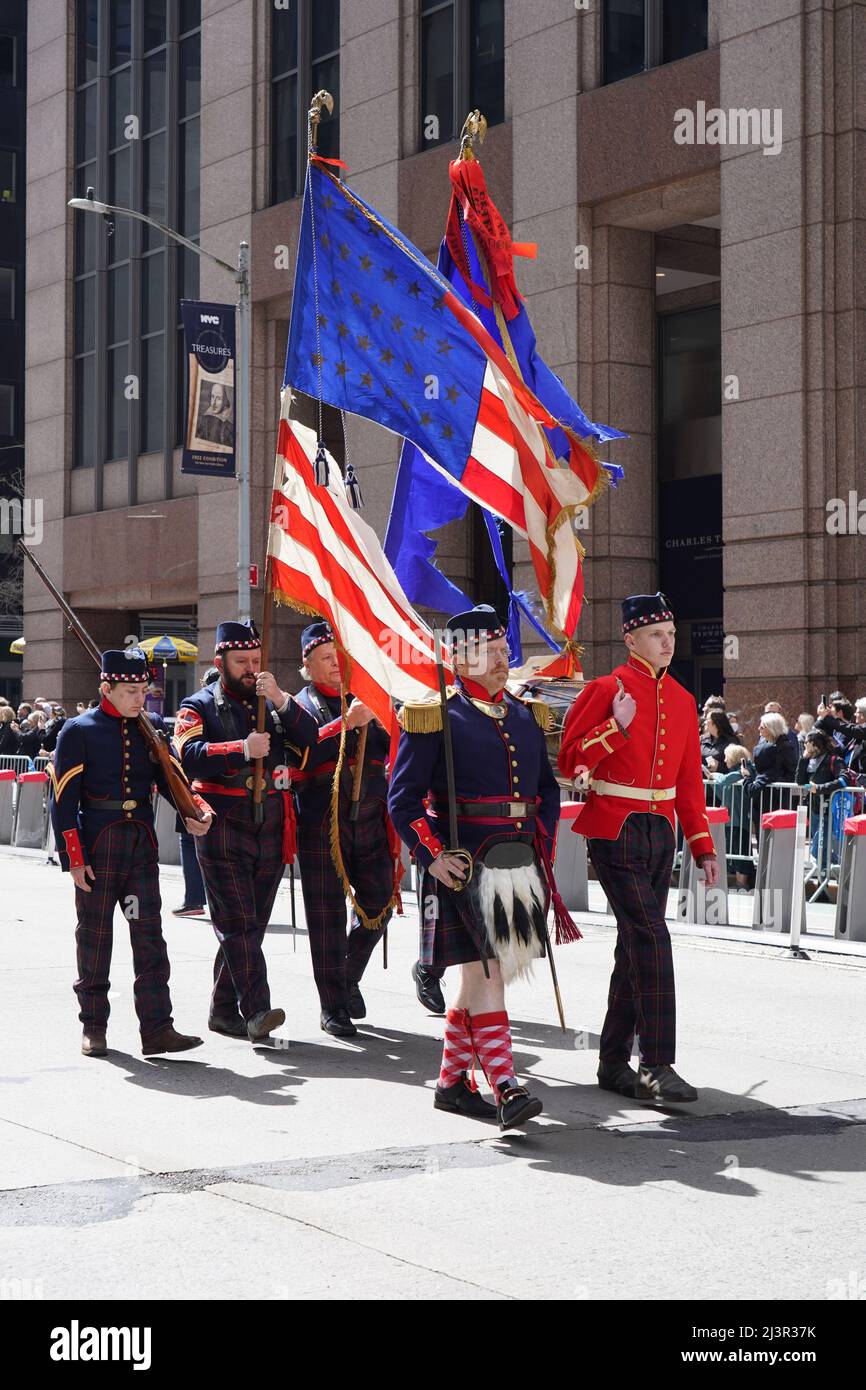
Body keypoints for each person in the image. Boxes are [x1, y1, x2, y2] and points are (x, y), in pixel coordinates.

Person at [389, 605, 566, 1131]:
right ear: (459, 660)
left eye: (502, 650)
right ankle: (506, 1086)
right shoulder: (433, 715)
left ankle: (451, 1085)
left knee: (478, 983)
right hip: (464, 867)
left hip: (517, 865)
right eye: (487, 653)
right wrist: (431, 856)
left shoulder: (526, 715)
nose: (499, 660)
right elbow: (403, 800)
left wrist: (543, 851)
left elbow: (547, 793)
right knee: (488, 975)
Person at [559, 591, 718, 1105]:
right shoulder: (607, 689)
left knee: (634, 946)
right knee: (652, 938)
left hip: (660, 831)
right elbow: (570, 762)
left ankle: (611, 1061)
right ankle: (656, 1063)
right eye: (657, 634)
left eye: (671, 635)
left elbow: (689, 783)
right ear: (631, 638)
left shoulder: (684, 700)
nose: (667, 643)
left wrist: (703, 847)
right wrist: (615, 727)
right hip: (615, 826)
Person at [48, 647, 213, 1058]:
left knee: (150, 938)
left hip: (140, 845)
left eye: (144, 689)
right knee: (95, 938)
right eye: (131, 690)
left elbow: (171, 778)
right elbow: (63, 800)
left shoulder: (151, 727)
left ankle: (158, 1028)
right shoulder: (79, 730)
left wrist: (196, 811)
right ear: (107, 688)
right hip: (99, 845)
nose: (140, 698)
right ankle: (94, 1027)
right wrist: (75, 859)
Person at [175, 619, 318, 1042]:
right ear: (220, 662)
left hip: (270, 821)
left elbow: (312, 744)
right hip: (222, 821)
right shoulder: (197, 704)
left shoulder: (273, 702)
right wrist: (240, 749)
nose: (251, 669)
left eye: (256, 660)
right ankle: (255, 1010)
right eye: (242, 661)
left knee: (251, 924)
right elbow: (186, 753)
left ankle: (222, 1011)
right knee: (236, 922)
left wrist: (281, 699)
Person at [291, 622, 400, 1038]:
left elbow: (398, 747)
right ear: (308, 664)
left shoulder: (367, 697)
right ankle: (332, 1005)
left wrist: (384, 715)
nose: (336, 665)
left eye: (339, 657)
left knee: (380, 903)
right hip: (322, 819)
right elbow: (298, 754)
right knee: (325, 917)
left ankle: (347, 974)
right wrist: (345, 724)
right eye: (325, 658)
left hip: (371, 814)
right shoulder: (300, 706)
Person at [173, 668, 220, 918]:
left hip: (195, 789)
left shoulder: (196, 708)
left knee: (191, 846)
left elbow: (183, 754)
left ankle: (194, 899)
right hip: (216, 791)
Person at [796, 729, 851, 866]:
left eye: (807, 743)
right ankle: (826, 877)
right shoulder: (810, 761)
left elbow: (844, 780)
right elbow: (800, 781)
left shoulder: (834, 760)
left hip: (828, 811)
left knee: (817, 850)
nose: (805, 746)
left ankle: (844, 866)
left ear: (815, 745)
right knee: (821, 849)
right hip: (815, 810)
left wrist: (820, 789)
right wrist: (803, 759)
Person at [743, 712, 798, 835]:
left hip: (775, 798)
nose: (758, 729)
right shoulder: (768, 746)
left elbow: (792, 771)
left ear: (771, 728)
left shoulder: (784, 748)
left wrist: (778, 782)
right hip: (765, 798)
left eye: (762, 727)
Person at [710, 744, 753, 887]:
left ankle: (742, 883)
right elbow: (722, 793)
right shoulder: (733, 774)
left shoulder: (743, 771)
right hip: (730, 820)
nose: (724, 759)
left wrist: (714, 775)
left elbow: (723, 780)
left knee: (740, 851)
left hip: (739, 820)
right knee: (733, 851)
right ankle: (738, 881)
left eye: (727, 756)